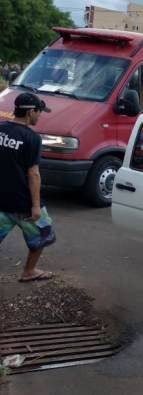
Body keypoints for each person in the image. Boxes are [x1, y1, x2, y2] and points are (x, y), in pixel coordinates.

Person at [0, 93, 56, 282]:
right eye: (39, 112)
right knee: (42, 235)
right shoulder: (31, 138)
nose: (40, 116)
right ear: (31, 111)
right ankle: (29, 271)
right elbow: (33, 174)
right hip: (23, 203)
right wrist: (35, 205)